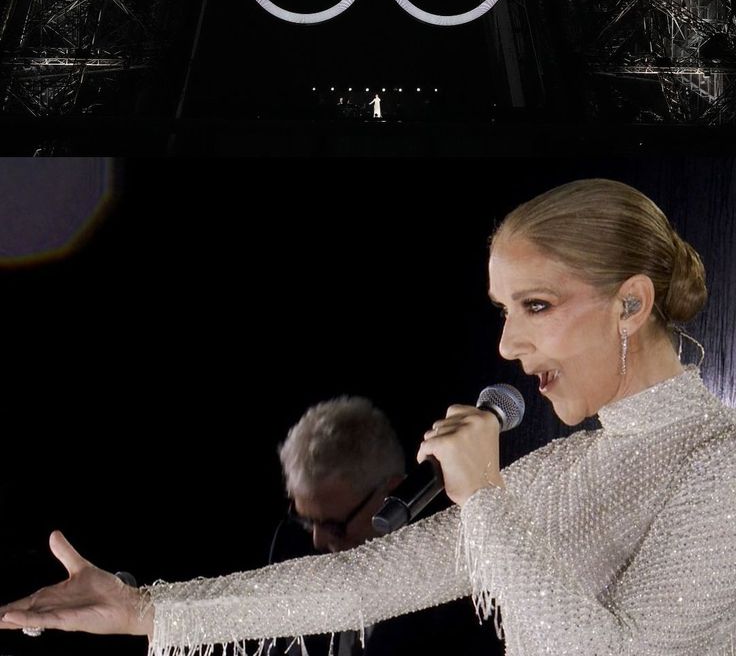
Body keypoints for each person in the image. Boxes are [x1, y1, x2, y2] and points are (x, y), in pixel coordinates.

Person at [2, 178, 735, 655]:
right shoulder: (564, 469)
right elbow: (361, 584)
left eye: (536, 306)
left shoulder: (721, 464)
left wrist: (482, 496)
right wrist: (141, 609)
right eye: (505, 313)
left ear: (631, 303)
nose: (511, 345)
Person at [271, 396, 499, 656]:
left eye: (334, 525)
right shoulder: (294, 564)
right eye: (307, 521)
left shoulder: (457, 591)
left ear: (390, 493)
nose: (317, 541)